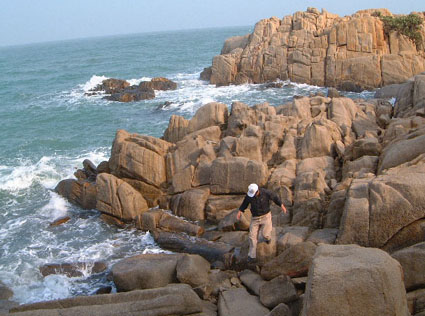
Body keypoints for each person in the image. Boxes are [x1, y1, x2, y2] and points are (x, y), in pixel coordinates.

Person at [237, 183, 287, 263]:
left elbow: (275, 197)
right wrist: (240, 211)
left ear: (257, 191)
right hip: (255, 218)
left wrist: (282, 205)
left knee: (265, 234)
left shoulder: (266, 193)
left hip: (266, 216)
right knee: (252, 236)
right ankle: (252, 256)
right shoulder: (249, 196)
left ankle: (268, 238)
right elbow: (244, 204)